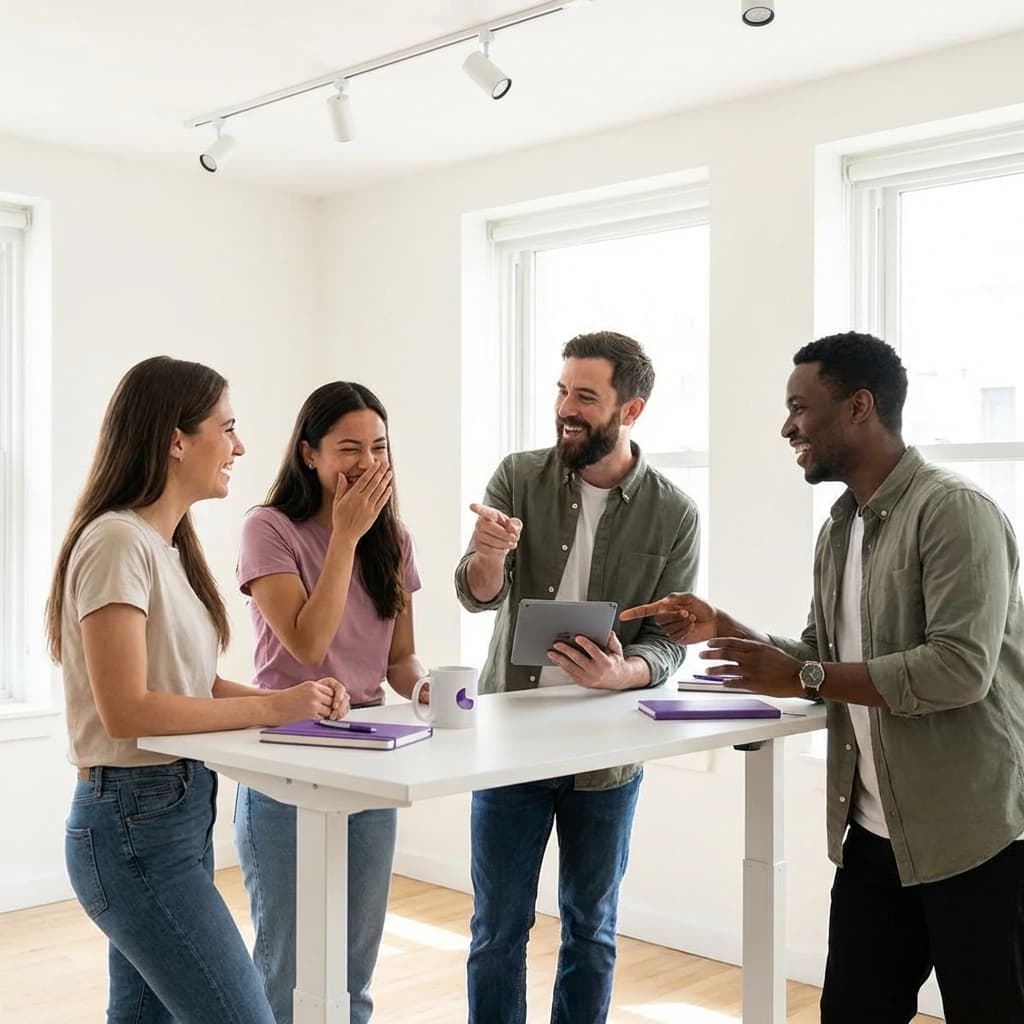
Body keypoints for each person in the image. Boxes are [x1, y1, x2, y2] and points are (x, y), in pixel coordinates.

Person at [622, 332, 1024, 1024]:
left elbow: (959, 670)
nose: (788, 427)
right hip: (873, 834)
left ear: (860, 407)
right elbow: (818, 652)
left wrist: (804, 672)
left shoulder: (954, 511)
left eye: (800, 408)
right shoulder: (842, 527)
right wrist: (725, 627)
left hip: (973, 835)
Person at [47, 356, 347, 1024]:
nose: (239, 446)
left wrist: (304, 711)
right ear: (176, 439)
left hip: (168, 816)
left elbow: (194, 685)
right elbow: (126, 710)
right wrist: (276, 704)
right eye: (228, 428)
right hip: (132, 824)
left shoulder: (165, 547)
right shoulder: (115, 543)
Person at [455, 331, 701, 1024]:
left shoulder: (675, 513)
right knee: (496, 931)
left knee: (590, 930)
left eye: (585, 396)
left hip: (605, 754)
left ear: (632, 410)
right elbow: (478, 595)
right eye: (563, 391)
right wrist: (487, 555)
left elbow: (668, 641)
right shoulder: (517, 476)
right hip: (511, 743)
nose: (567, 407)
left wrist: (627, 671)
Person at [234, 381, 426, 1024]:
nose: (368, 464)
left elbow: (399, 658)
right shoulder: (268, 529)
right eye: (350, 448)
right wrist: (344, 537)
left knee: (353, 970)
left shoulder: (393, 539)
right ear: (310, 454)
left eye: (378, 447)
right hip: (286, 754)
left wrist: (425, 687)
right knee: (286, 970)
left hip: (369, 756)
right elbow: (310, 645)